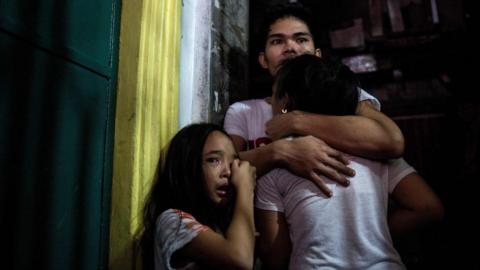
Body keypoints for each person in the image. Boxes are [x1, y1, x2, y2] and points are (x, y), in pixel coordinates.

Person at [255, 55, 444, 269]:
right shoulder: (376, 153)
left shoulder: (278, 162)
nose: (270, 102)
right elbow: (429, 208)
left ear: (285, 103)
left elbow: (274, 255)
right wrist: (370, 230)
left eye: (272, 95)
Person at [224, 3, 404, 196]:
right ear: (263, 59)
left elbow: (392, 141)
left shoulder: (343, 93)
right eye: (277, 41)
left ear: (317, 55)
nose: (291, 48)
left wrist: (295, 120)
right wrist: (280, 151)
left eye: (301, 39)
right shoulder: (243, 111)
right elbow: (223, 168)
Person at [139, 123, 256, 270]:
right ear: (188, 166)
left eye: (233, 163)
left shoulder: (224, 223)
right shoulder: (173, 221)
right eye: (214, 160)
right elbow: (240, 259)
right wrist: (245, 187)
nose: (228, 172)